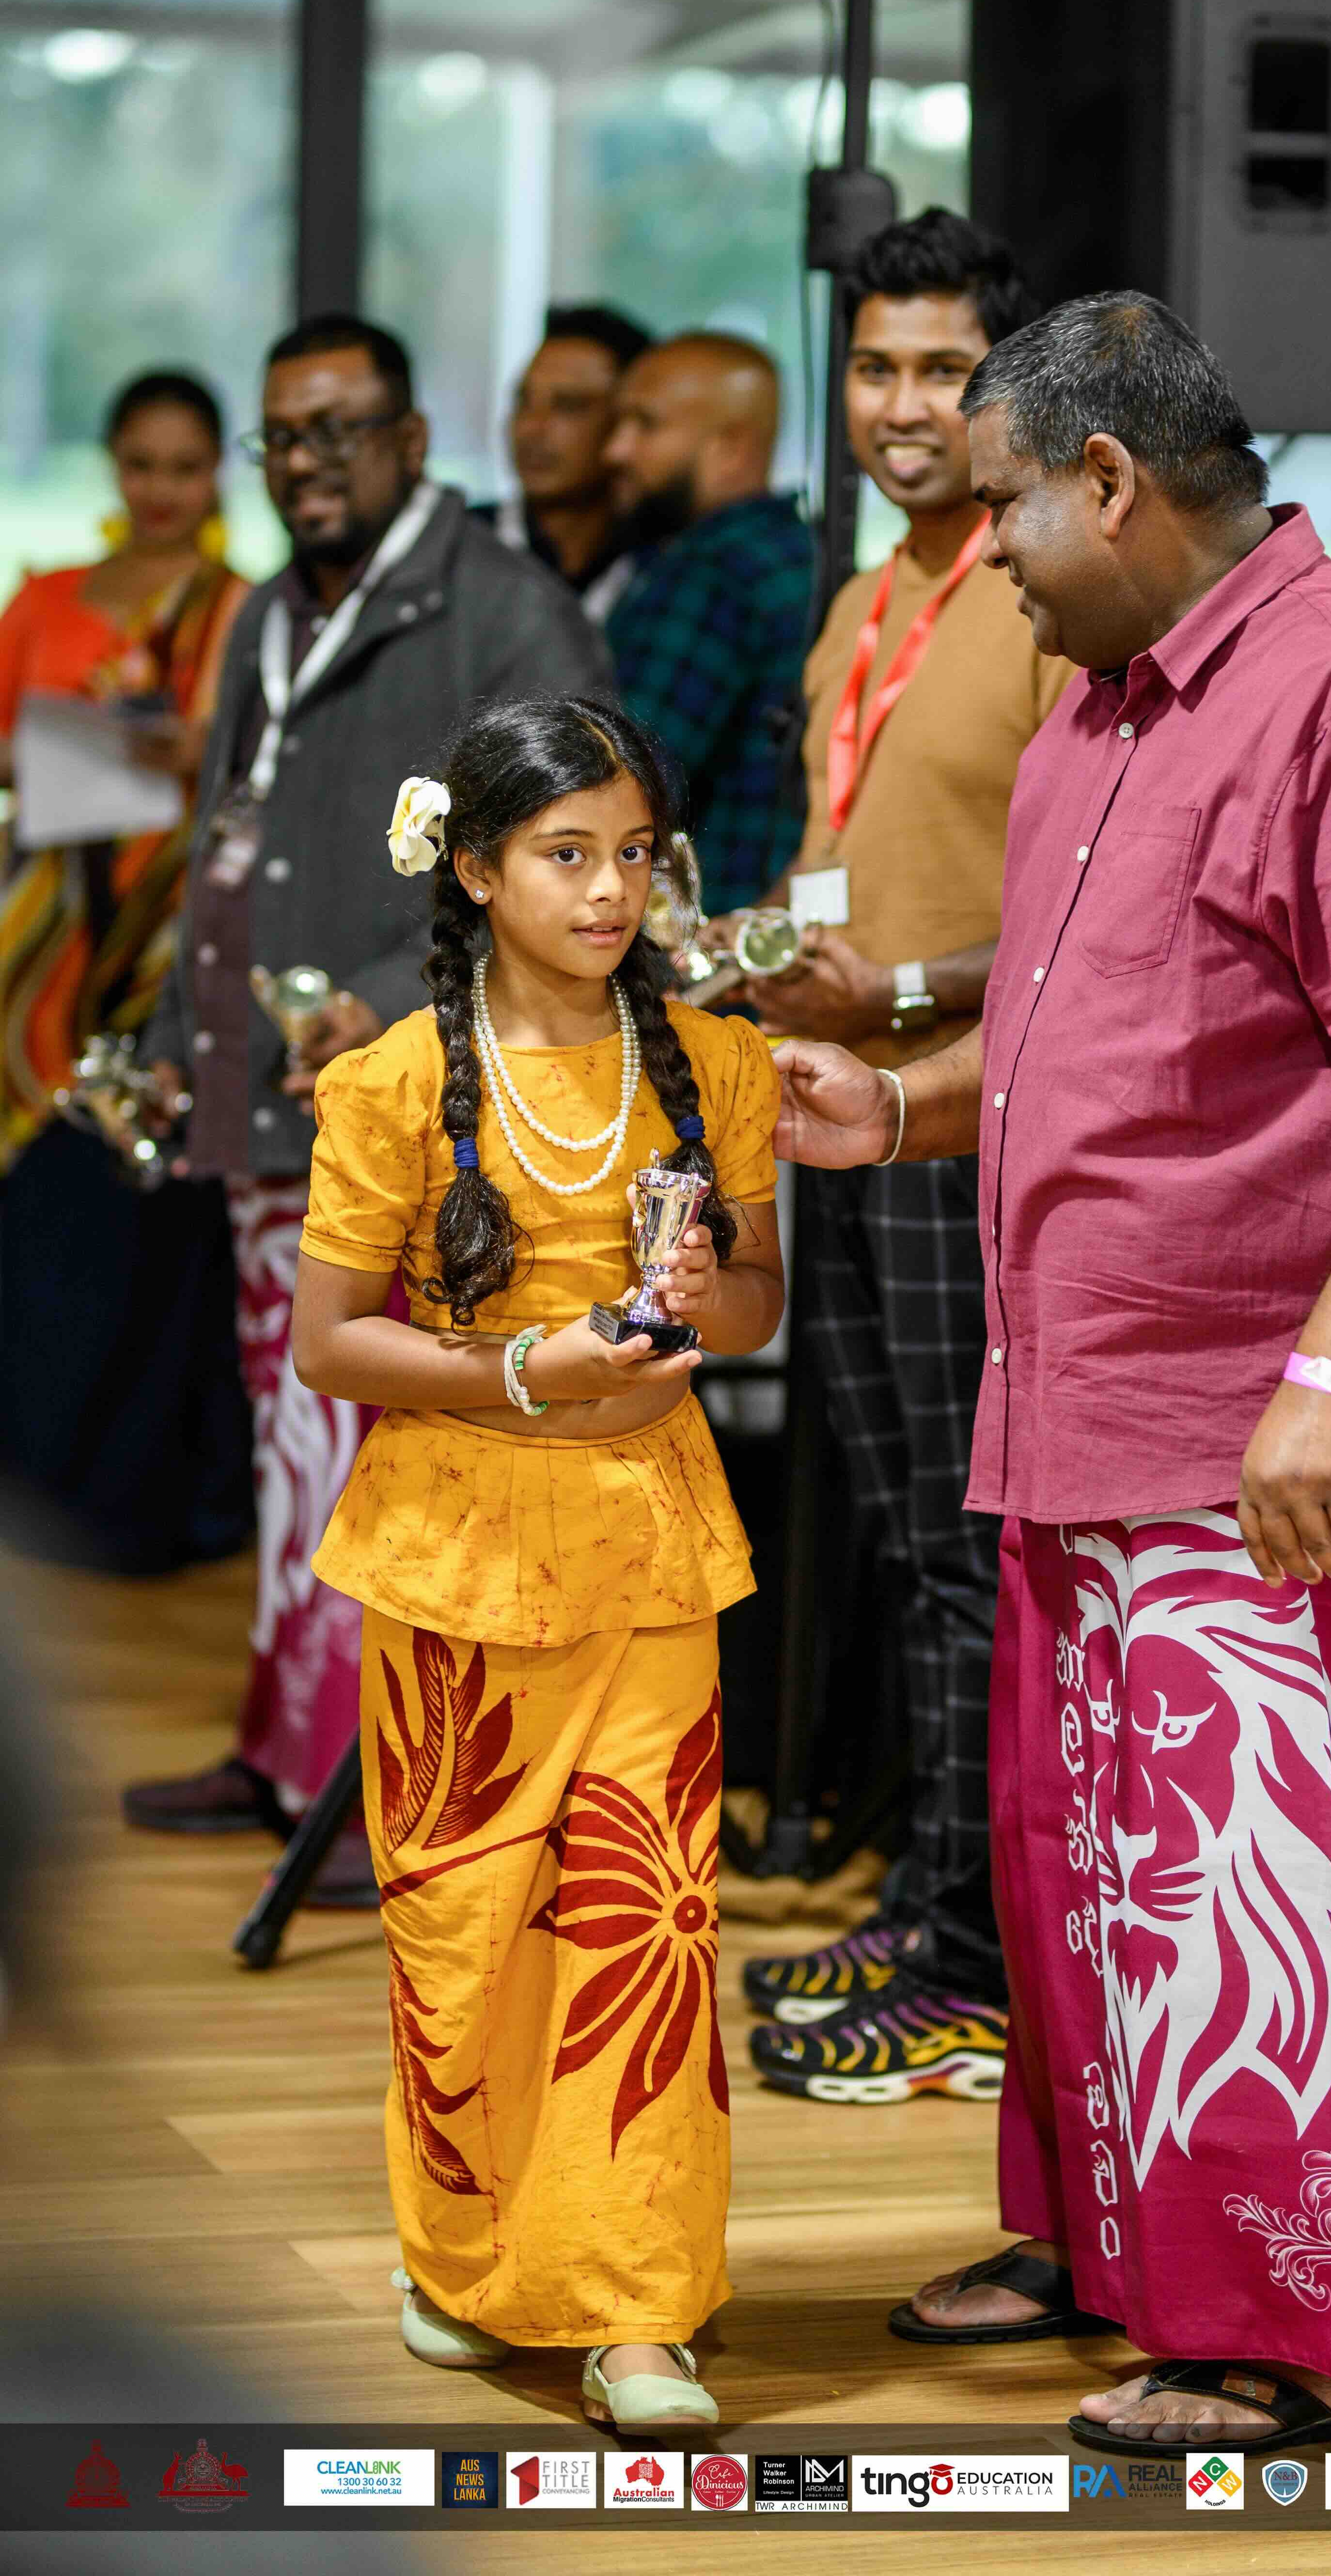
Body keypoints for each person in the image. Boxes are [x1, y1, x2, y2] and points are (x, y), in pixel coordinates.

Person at [773, 294, 1331, 2451]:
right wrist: (907, 1109)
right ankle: (1120, 2252)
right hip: (1100, 1405)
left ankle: (1298, 2342)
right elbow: (1104, 1032)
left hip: (1281, 1420)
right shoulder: (1101, 706)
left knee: (1274, 1892)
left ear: (1109, 484)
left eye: (1005, 495)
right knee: (1093, 1865)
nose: (988, 542)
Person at [290, 691, 782, 2431]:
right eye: (566, 854)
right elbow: (329, 1343)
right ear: (479, 865)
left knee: (646, 1926)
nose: (608, 890)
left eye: (633, 852)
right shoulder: (395, 1078)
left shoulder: (717, 1061)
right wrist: (522, 1367)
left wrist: (690, 1289)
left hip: (645, 1534)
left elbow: (756, 1302)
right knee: (467, 1922)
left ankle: (638, 2301)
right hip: (455, 1548)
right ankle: (474, 2254)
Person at [120, 314, 613, 1898]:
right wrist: (180, 1026)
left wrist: (394, 1007)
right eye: (285, 435)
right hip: (272, 1100)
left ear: (412, 440)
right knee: (296, 1443)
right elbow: (230, 836)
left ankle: (375, 1786)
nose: (308, 461)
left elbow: (578, 868)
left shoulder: (503, 615)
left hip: (425, 1116)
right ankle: (287, 1752)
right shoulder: (272, 606)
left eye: (341, 429)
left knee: (379, 1455)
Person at [721, 209, 1070, 2093]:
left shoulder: (1041, 598)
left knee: (966, 1553)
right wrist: (762, 962)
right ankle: (934, 1895)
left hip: (966, 1121)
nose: (904, 405)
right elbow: (837, 862)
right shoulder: (863, 606)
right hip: (837, 1110)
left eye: (943, 369)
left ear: (1003, 386)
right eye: (875, 368)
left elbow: (1087, 912)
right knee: (890, 1539)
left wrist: (902, 986)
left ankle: (979, 1952)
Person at [0, 370, 253, 1570]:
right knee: (44, 1199)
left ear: (217, 477)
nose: (160, 490)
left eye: (184, 467)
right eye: (140, 464)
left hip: (181, 946)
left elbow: (269, 772)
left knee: (156, 1215)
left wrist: (193, 746)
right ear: (112, 465)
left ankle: (139, 1499)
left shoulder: (242, 613)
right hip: (54, 944)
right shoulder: (45, 600)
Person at [600, 333, 813, 912]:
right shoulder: (801, 552)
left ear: (731, 448)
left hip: (697, 928)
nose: (616, 450)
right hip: (765, 925)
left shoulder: (711, 570)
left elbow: (623, 777)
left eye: (645, 425)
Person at [475, 302, 655, 625]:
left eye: (569, 406)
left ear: (627, 423)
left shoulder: (662, 569)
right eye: (523, 401)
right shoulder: (456, 549)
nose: (532, 427)